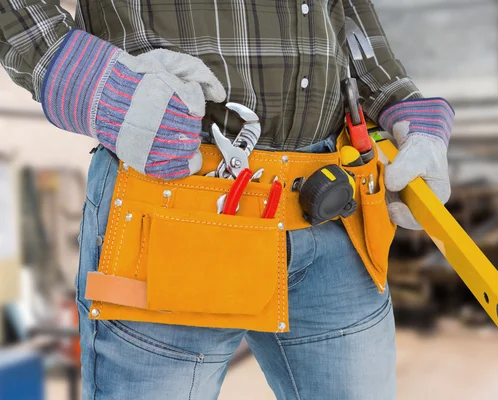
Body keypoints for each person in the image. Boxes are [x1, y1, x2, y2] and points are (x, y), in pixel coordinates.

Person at [0, 1, 454, 398]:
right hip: (172, 202)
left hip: (332, 205)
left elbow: (344, 11)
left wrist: (396, 98)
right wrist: (92, 82)